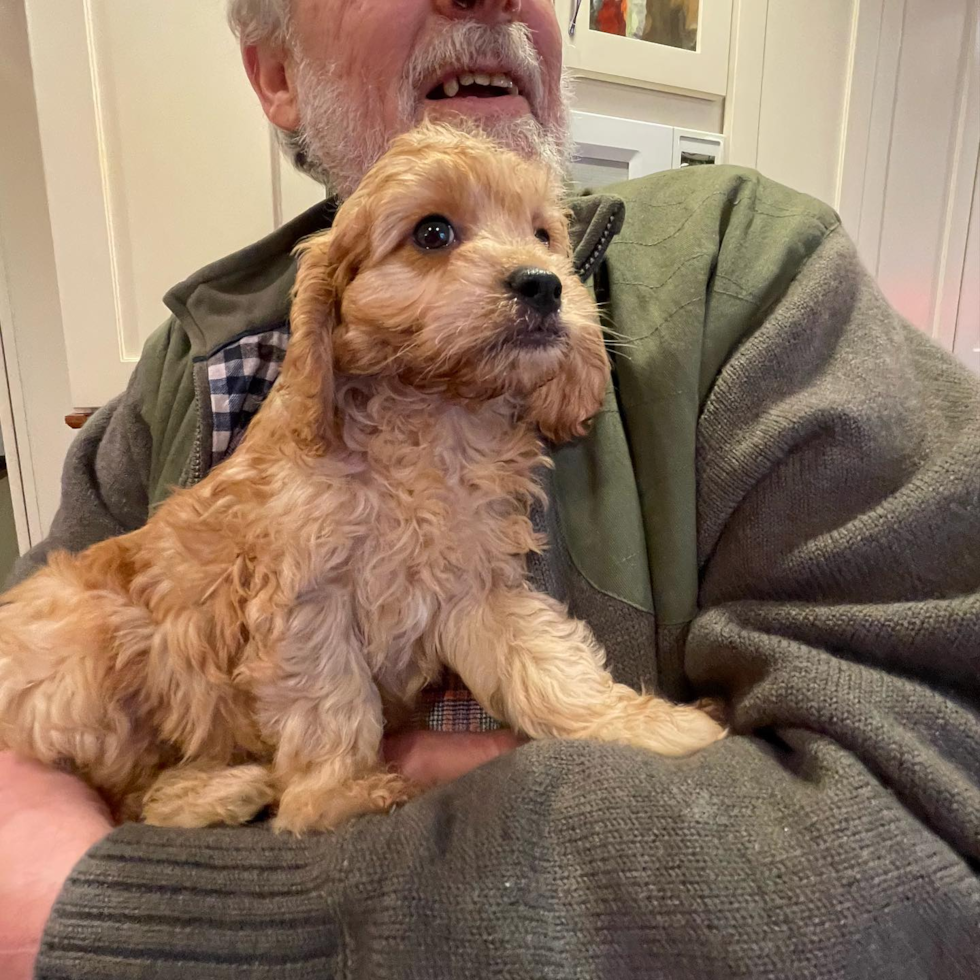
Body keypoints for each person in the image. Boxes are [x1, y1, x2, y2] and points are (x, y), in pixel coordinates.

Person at [2, 1, 978, 977]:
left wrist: (597, 727)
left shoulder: (754, 274)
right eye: (433, 232)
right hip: (143, 692)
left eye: (541, 234)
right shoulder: (189, 365)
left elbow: (927, 822)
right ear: (276, 75)